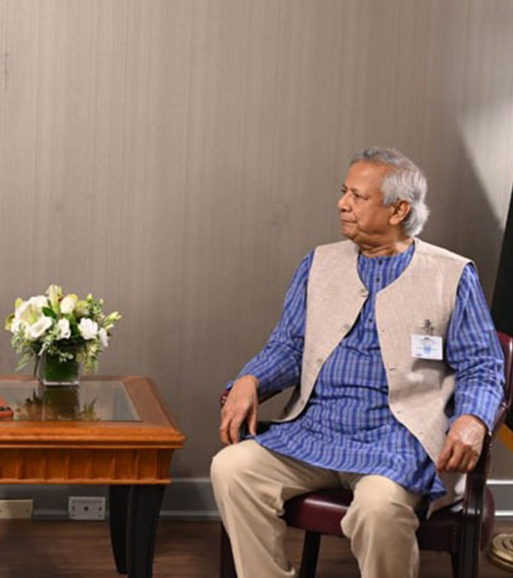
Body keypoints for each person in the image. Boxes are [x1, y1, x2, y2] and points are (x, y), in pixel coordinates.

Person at [210, 147, 504, 578]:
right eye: (343, 191)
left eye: (358, 196)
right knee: (232, 469)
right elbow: (288, 346)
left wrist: (473, 419)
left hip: (396, 441)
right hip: (315, 431)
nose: (342, 203)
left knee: (379, 508)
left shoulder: (451, 275)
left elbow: (482, 365)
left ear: (398, 210)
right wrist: (249, 379)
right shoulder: (318, 264)